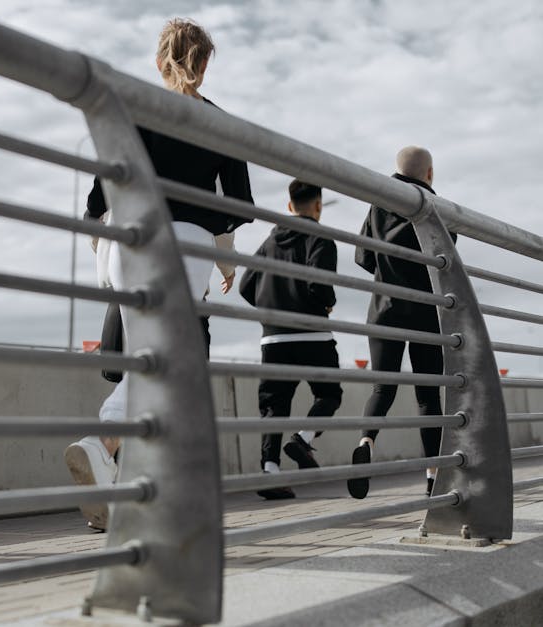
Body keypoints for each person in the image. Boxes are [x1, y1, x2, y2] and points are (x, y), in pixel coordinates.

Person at [64, 18, 254, 531]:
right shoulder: (219, 123)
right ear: (206, 64)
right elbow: (235, 206)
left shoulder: (132, 110)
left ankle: (128, 491)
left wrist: (102, 251)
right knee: (162, 364)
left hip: (128, 238)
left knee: (148, 363)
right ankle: (102, 445)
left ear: (158, 61)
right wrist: (225, 258)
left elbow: (100, 199)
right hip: (185, 243)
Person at [347, 146, 453, 500]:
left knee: (382, 389)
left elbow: (362, 256)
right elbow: (447, 256)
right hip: (424, 311)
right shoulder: (434, 207)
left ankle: (366, 441)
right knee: (427, 398)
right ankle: (432, 475)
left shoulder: (379, 202)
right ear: (429, 173)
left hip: (384, 309)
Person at [239, 180, 342, 499]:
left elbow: (246, 285)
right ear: (318, 206)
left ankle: (270, 472)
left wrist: (272, 310)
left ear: (288, 206)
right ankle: (303, 439)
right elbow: (319, 281)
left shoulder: (269, 241)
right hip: (313, 333)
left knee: (273, 406)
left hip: (274, 339)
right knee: (329, 393)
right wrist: (328, 302)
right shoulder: (321, 236)